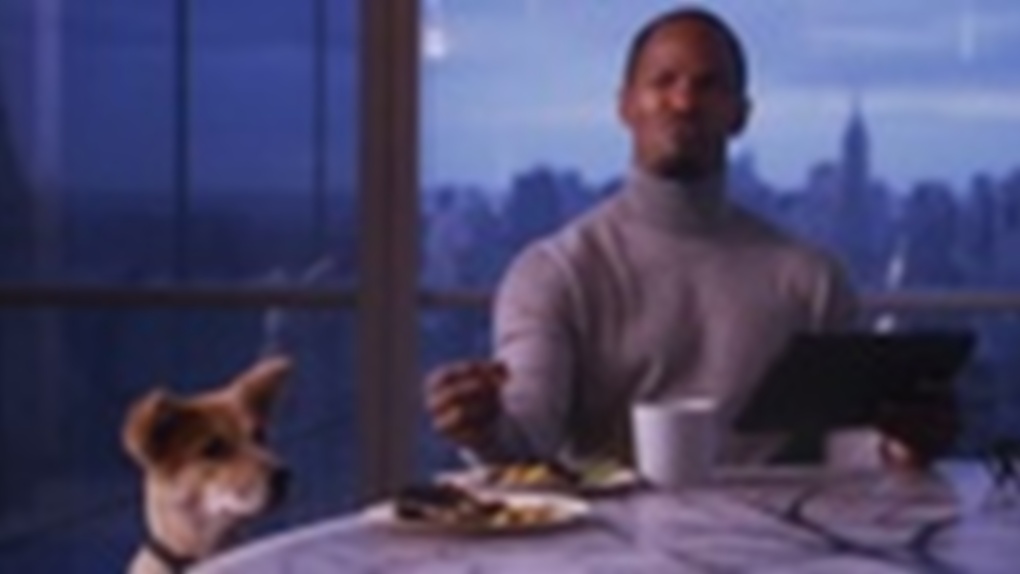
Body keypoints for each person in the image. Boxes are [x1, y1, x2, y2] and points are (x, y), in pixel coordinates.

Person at [426, 6, 858, 465]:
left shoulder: (814, 281)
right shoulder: (556, 273)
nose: (684, 102)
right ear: (626, 106)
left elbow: (851, 447)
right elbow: (528, 434)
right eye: (663, 82)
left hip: (783, 516)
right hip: (610, 517)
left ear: (740, 115)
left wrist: (897, 445)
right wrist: (483, 428)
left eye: (708, 85)